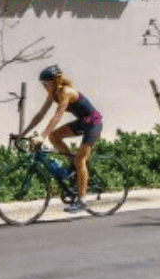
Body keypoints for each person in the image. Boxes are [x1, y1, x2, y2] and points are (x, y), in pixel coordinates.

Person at [18, 64, 102, 214]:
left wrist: (42, 136)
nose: (44, 87)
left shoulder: (66, 92)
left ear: (55, 81)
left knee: (80, 159)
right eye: (42, 84)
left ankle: (82, 201)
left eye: (46, 83)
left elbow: (57, 116)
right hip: (82, 122)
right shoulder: (53, 94)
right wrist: (23, 133)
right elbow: (40, 115)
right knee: (54, 136)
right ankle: (73, 167)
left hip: (93, 123)